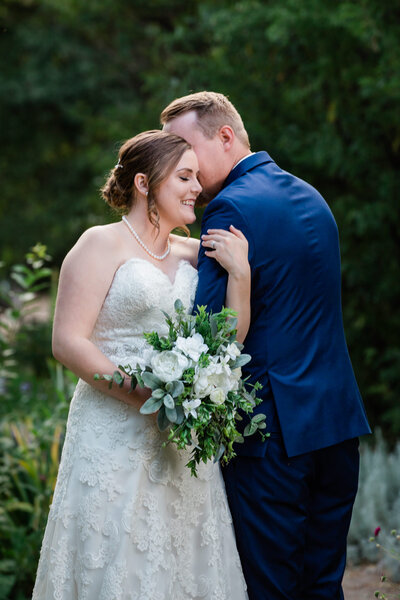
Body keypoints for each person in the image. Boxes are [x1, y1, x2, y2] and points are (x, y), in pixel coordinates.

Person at [161, 91, 372, 600]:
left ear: (226, 136)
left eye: (184, 147)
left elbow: (210, 334)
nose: (180, 164)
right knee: (324, 584)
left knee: (270, 587)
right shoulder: (311, 196)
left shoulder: (231, 206)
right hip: (337, 423)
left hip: (273, 435)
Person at [32, 130, 252, 600]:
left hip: (182, 440)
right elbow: (67, 341)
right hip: (113, 429)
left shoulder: (195, 252)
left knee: (183, 563)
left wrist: (241, 276)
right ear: (144, 183)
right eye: (184, 177)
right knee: (115, 559)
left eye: (197, 177)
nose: (198, 187)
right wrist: (144, 395)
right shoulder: (100, 244)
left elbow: (227, 342)